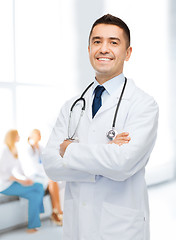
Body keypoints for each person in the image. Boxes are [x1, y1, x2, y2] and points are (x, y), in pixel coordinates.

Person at [42, 14, 159, 240]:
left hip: (120, 228)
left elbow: (122, 164)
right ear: (88, 49)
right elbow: (51, 164)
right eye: (97, 41)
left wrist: (69, 150)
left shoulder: (144, 104)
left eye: (113, 42)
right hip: (77, 226)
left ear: (128, 53)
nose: (103, 48)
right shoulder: (72, 106)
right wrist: (106, 154)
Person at [0, 129, 44, 233]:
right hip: (4, 185)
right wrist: (21, 181)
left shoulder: (14, 149)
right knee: (38, 188)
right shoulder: (5, 150)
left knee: (37, 189)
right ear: (13, 137)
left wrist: (27, 179)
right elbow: (2, 173)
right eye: (17, 135)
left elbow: (19, 169)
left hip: (11, 182)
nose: (19, 136)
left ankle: (33, 226)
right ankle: (39, 212)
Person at [23, 129, 63, 226]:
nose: (39, 137)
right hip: (34, 177)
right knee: (52, 181)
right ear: (31, 137)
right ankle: (58, 212)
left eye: (39, 135)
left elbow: (47, 163)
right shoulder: (28, 149)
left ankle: (56, 211)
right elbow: (32, 168)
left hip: (43, 176)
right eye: (36, 135)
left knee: (53, 181)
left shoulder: (41, 148)